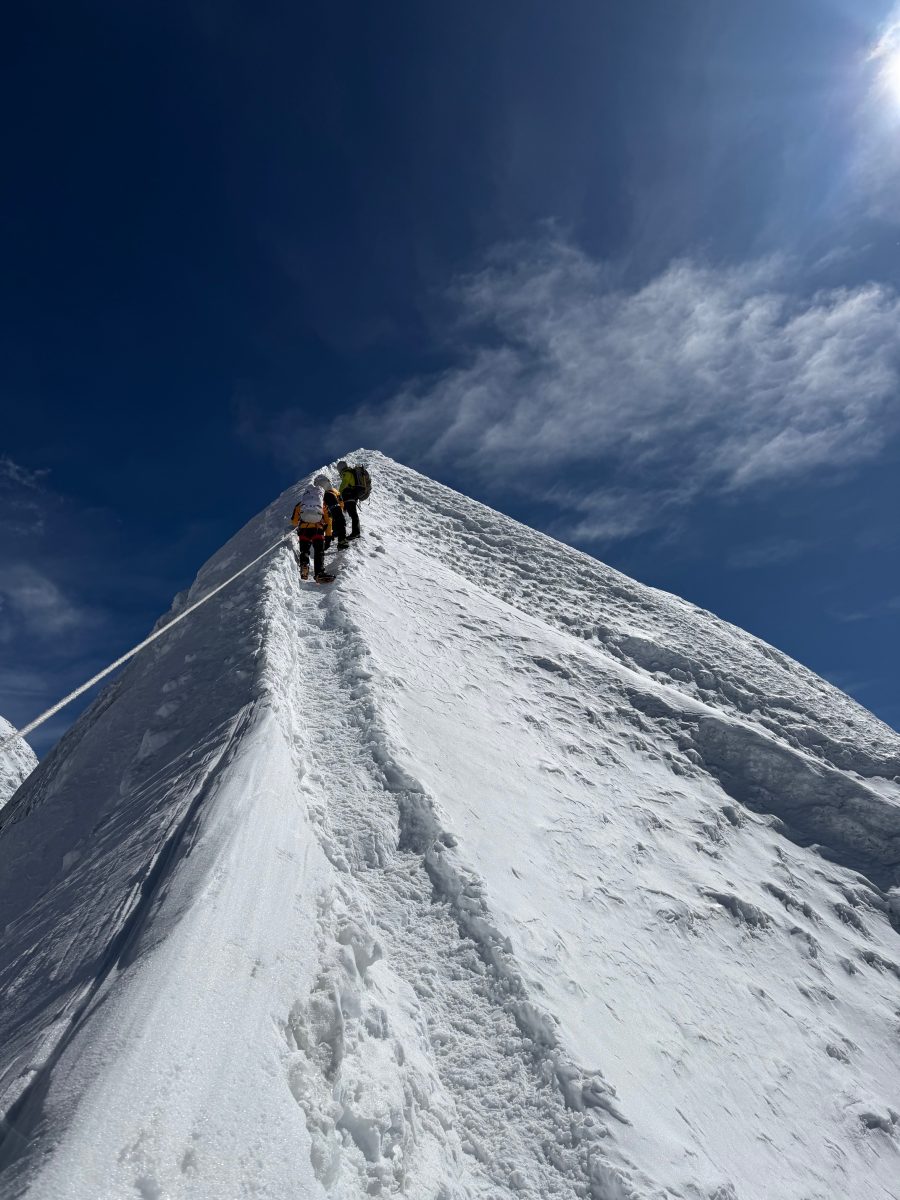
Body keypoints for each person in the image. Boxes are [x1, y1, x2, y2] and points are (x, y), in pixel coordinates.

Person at [291, 482, 335, 584]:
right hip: (318, 530)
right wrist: (328, 536)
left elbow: (293, 521)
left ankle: (304, 567)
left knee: (305, 550)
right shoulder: (322, 504)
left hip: (304, 530)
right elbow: (329, 520)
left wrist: (298, 522)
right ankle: (319, 573)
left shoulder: (301, 504)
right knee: (319, 552)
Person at [314, 474, 349, 552]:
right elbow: (341, 501)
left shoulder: (319, 493)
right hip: (332, 499)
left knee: (328, 520)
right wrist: (341, 508)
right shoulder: (334, 490)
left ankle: (328, 539)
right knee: (339, 518)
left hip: (324, 505)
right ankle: (341, 540)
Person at [337, 459, 363, 539]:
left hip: (349, 494)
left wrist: (339, 493)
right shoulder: (351, 472)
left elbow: (344, 482)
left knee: (353, 514)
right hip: (353, 495)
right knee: (353, 514)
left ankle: (356, 533)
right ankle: (356, 532)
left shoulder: (346, 473)